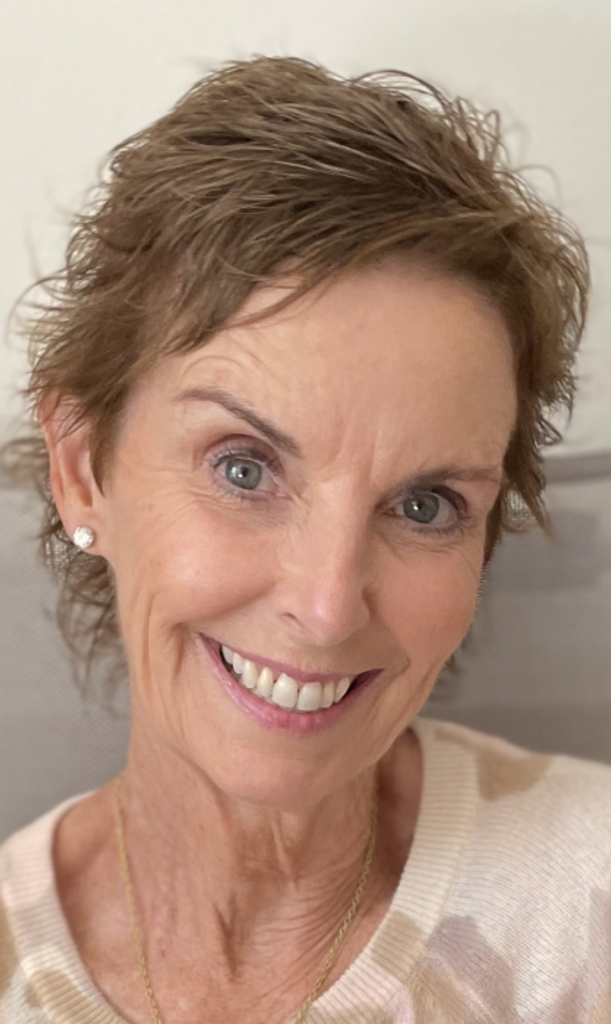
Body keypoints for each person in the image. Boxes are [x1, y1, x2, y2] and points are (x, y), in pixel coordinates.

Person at [0, 54, 609, 1024]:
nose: (326, 608)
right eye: (243, 469)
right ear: (82, 468)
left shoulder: (586, 905)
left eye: (424, 505)